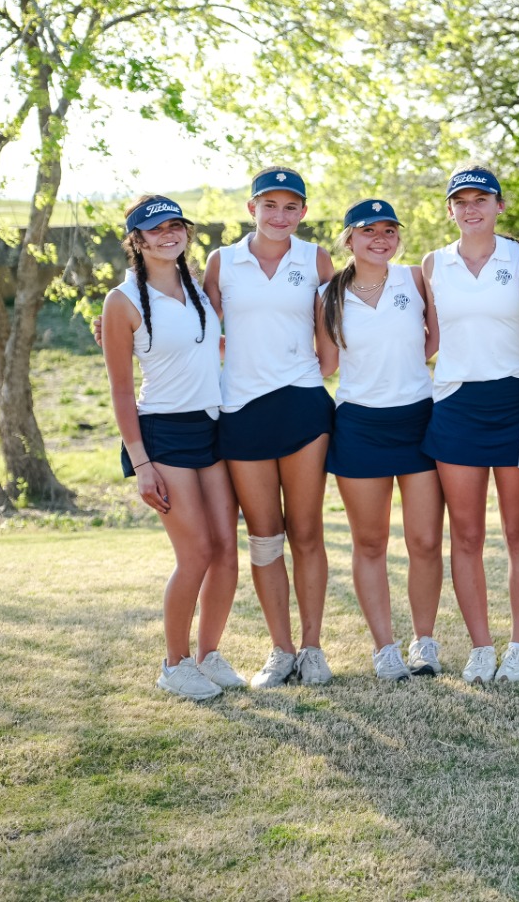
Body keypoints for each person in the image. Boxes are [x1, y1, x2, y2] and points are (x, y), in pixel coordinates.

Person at [101, 196, 243, 700]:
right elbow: (120, 390)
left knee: (227, 551)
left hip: (212, 428)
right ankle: (174, 664)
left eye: (176, 225)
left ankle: (207, 655)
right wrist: (140, 463)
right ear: (136, 240)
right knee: (197, 552)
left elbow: (208, 347)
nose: (168, 235)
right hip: (162, 434)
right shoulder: (122, 302)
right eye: (155, 229)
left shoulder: (198, 285)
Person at [206, 166, 336, 688]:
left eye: (290, 207)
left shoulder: (315, 259)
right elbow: (196, 322)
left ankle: (312, 649)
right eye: (269, 205)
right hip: (241, 410)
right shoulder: (223, 262)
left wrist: (302, 372)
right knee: (264, 537)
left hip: (302, 406)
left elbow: (331, 338)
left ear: (303, 212)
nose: (279, 216)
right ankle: (279, 651)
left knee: (306, 531)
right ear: (251, 208)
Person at [420, 166, 519, 686]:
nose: (472, 209)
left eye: (482, 199)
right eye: (461, 201)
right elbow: (426, 335)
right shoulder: (433, 264)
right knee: (466, 534)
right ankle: (480, 646)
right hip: (455, 404)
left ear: (499, 205)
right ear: (450, 209)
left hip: (515, 399)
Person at [317, 199, 443, 682]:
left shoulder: (415, 279)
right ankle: (385, 648)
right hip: (360, 425)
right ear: (348, 238)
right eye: (369, 231)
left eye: (389, 231)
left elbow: (434, 340)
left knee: (425, 541)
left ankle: (424, 642)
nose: (380, 239)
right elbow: (323, 363)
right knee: (370, 543)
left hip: (418, 419)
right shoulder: (328, 293)